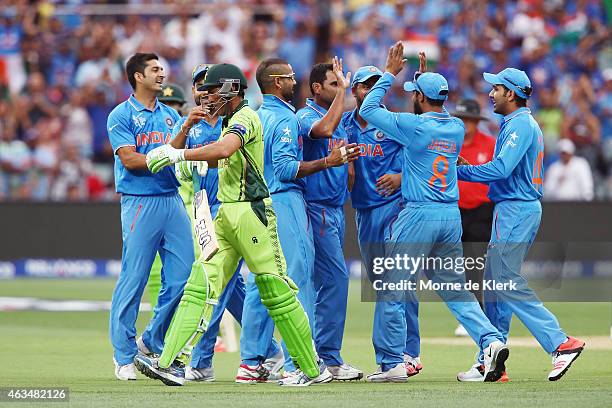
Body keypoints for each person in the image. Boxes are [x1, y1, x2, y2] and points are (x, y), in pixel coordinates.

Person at [134, 63, 331, 387]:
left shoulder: (245, 117)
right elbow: (216, 158)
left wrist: (175, 156)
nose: (205, 96)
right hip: (226, 213)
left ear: (231, 89)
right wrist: (180, 150)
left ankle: (313, 369)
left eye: (212, 90)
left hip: (253, 213)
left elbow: (225, 149)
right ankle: (170, 363)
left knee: (276, 290)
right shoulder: (229, 119)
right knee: (201, 283)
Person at [360, 42, 509, 383]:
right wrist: (424, 81)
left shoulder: (414, 128)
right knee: (455, 288)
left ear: (421, 99)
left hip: (418, 215)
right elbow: (431, 111)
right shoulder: (455, 128)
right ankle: (490, 341)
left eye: (416, 93)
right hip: (449, 216)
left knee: (392, 286)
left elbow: (369, 108)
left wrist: (389, 74)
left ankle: (392, 363)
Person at [456, 67, 585, 381]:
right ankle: (492, 361)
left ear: (511, 93)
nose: (491, 94)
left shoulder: (521, 124)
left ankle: (561, 343)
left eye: (496, 89)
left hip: (516, 208)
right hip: (511, 208)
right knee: (497, 284)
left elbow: (501, 168)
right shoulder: (515, 122)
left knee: (505, 281)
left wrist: (461, 171)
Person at [239, 58, 359, 382]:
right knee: (298, 280)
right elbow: (287, 167)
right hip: (292, 202)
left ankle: (252, 361)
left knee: (264, 281)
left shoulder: (253, 117)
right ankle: (300, 363)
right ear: (278, 82)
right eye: (291, 77)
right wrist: (328, 161)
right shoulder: (296, 117)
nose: (296, 82)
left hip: (262, 202)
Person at [107, 53, 193, 381]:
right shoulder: (122, 115)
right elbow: (129, 160)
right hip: (140, 202)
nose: (162, 73)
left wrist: (185, 129)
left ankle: (152, 340)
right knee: (134, 278)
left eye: (162, 68)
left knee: (184, 278)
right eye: (155, 69)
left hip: (171, 201)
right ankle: (124, 355)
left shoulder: (171, 116)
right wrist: (168, 153)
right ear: (138, 77)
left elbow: (177, 152)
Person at [341, 65, 422, 377]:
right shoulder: (345, 123)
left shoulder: (393, 121)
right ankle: (400, 350)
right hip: (363, 210)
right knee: (382, 284)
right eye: (365, 85)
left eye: (377, 85)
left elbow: (422, 152)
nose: (371, 90)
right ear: (356, 91)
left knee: (398, 282)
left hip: (394, 208)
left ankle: (408, 351)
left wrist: (402, 176)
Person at [295, 59, 363, 380]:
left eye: (341, 85)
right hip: (315, 206)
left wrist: (348, 168)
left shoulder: (340, 117)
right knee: (334, 279)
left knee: (328, 281)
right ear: (316, 88)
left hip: (336, 207)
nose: (341, 90)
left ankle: (320, 354)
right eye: (334, 85)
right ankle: (326, 357)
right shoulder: (306, 116)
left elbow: (343, 146)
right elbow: (324, 131)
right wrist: (344, 95)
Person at [451, 99, 496, 338]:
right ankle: (470, 316)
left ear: (476, 122)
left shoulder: (489, 144)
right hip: (455, 211)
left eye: (468, 119)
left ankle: (477, 316)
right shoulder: (450, 143)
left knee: (475, 265)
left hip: (481, 212)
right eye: (461, 119)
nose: (465, 123)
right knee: (455, 268)